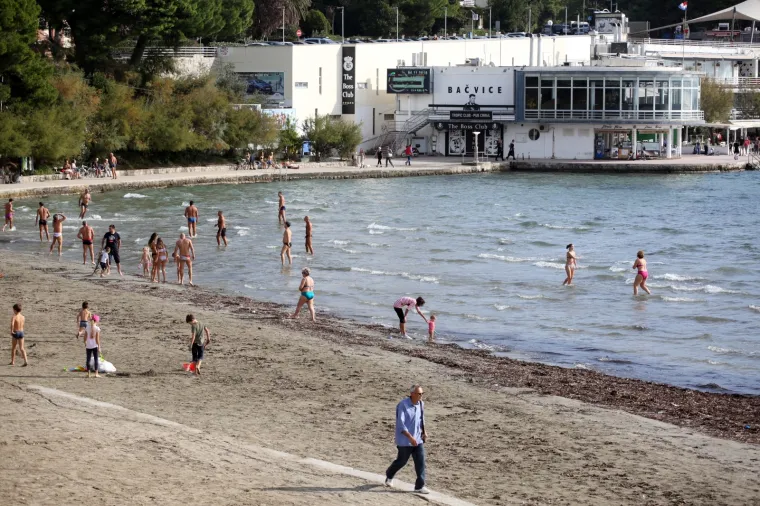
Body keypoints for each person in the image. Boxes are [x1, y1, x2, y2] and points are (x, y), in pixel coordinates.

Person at [384, 385, 429, 494]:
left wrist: (424, 432)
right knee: (402, 461)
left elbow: (421, 419)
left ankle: (419, 486)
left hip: (418, 439)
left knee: (420, 462)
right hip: (405, 441)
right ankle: (389, 474)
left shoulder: (421, 404)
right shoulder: (403, 405)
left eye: (422, 394)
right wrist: (410, 437)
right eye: (419, 394)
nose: (421, 396)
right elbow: (401, 425)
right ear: (412, 394)